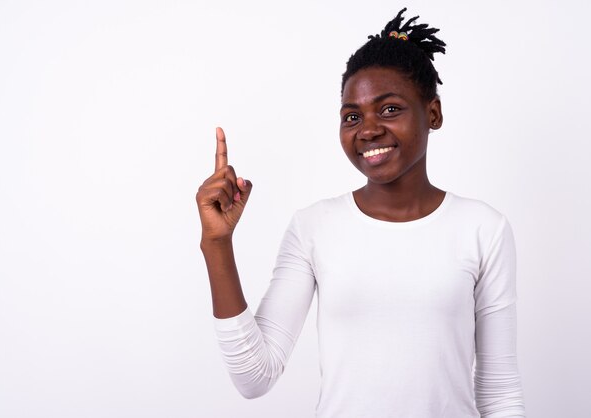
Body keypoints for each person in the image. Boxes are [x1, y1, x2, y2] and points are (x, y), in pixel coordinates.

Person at [196, 8, 525, 417]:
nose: (367, 129)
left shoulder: (483, 228)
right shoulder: (314, 227)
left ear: (433, 113)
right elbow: (254, 377)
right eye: (353, 116)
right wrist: (217, 243)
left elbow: (499, 392)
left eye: (389, 109)